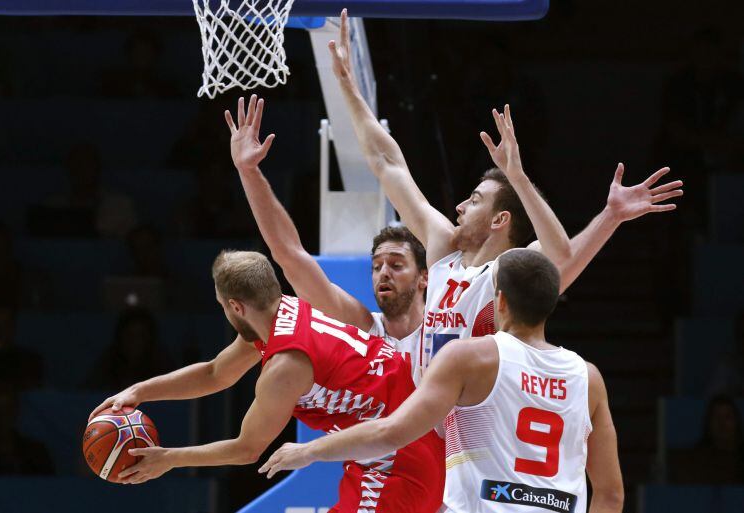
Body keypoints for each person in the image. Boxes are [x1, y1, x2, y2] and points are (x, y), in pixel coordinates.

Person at [329, 10, 683, 372]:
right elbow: (388, 164)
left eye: (476, 199)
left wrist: (519, 177)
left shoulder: (510, 271)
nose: (461, 206)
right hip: (425, 412)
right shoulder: (443, 249)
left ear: (500, 219)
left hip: (474, 419)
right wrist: (347, 88)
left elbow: (561, 255)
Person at [260, 249, 624, 513]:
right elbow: (610, 496)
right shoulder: (588, 377)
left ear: (499, 302)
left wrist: (307, 451)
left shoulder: (471, 357)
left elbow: (391, 433)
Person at [89, 250, 445, 513]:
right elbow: (216, 372)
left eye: (222, 306)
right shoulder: (283, 311)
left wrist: (168, 459)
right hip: (392, 447)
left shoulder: (285, 365)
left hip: (398, 464)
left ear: (236, 307)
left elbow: (248, 449)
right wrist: (140, 390)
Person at [226, 95, 428, 383]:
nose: (383, 272)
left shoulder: (444, 331)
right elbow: (290, 254)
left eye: (396, 265)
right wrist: (249, 172)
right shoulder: (363, 328)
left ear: (424, 278)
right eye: (377, 265)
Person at [0, 382, 54, 475]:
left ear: (16, 412)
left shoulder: (36, 454)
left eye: (7, 411)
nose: (1, 418)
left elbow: (49, 486)